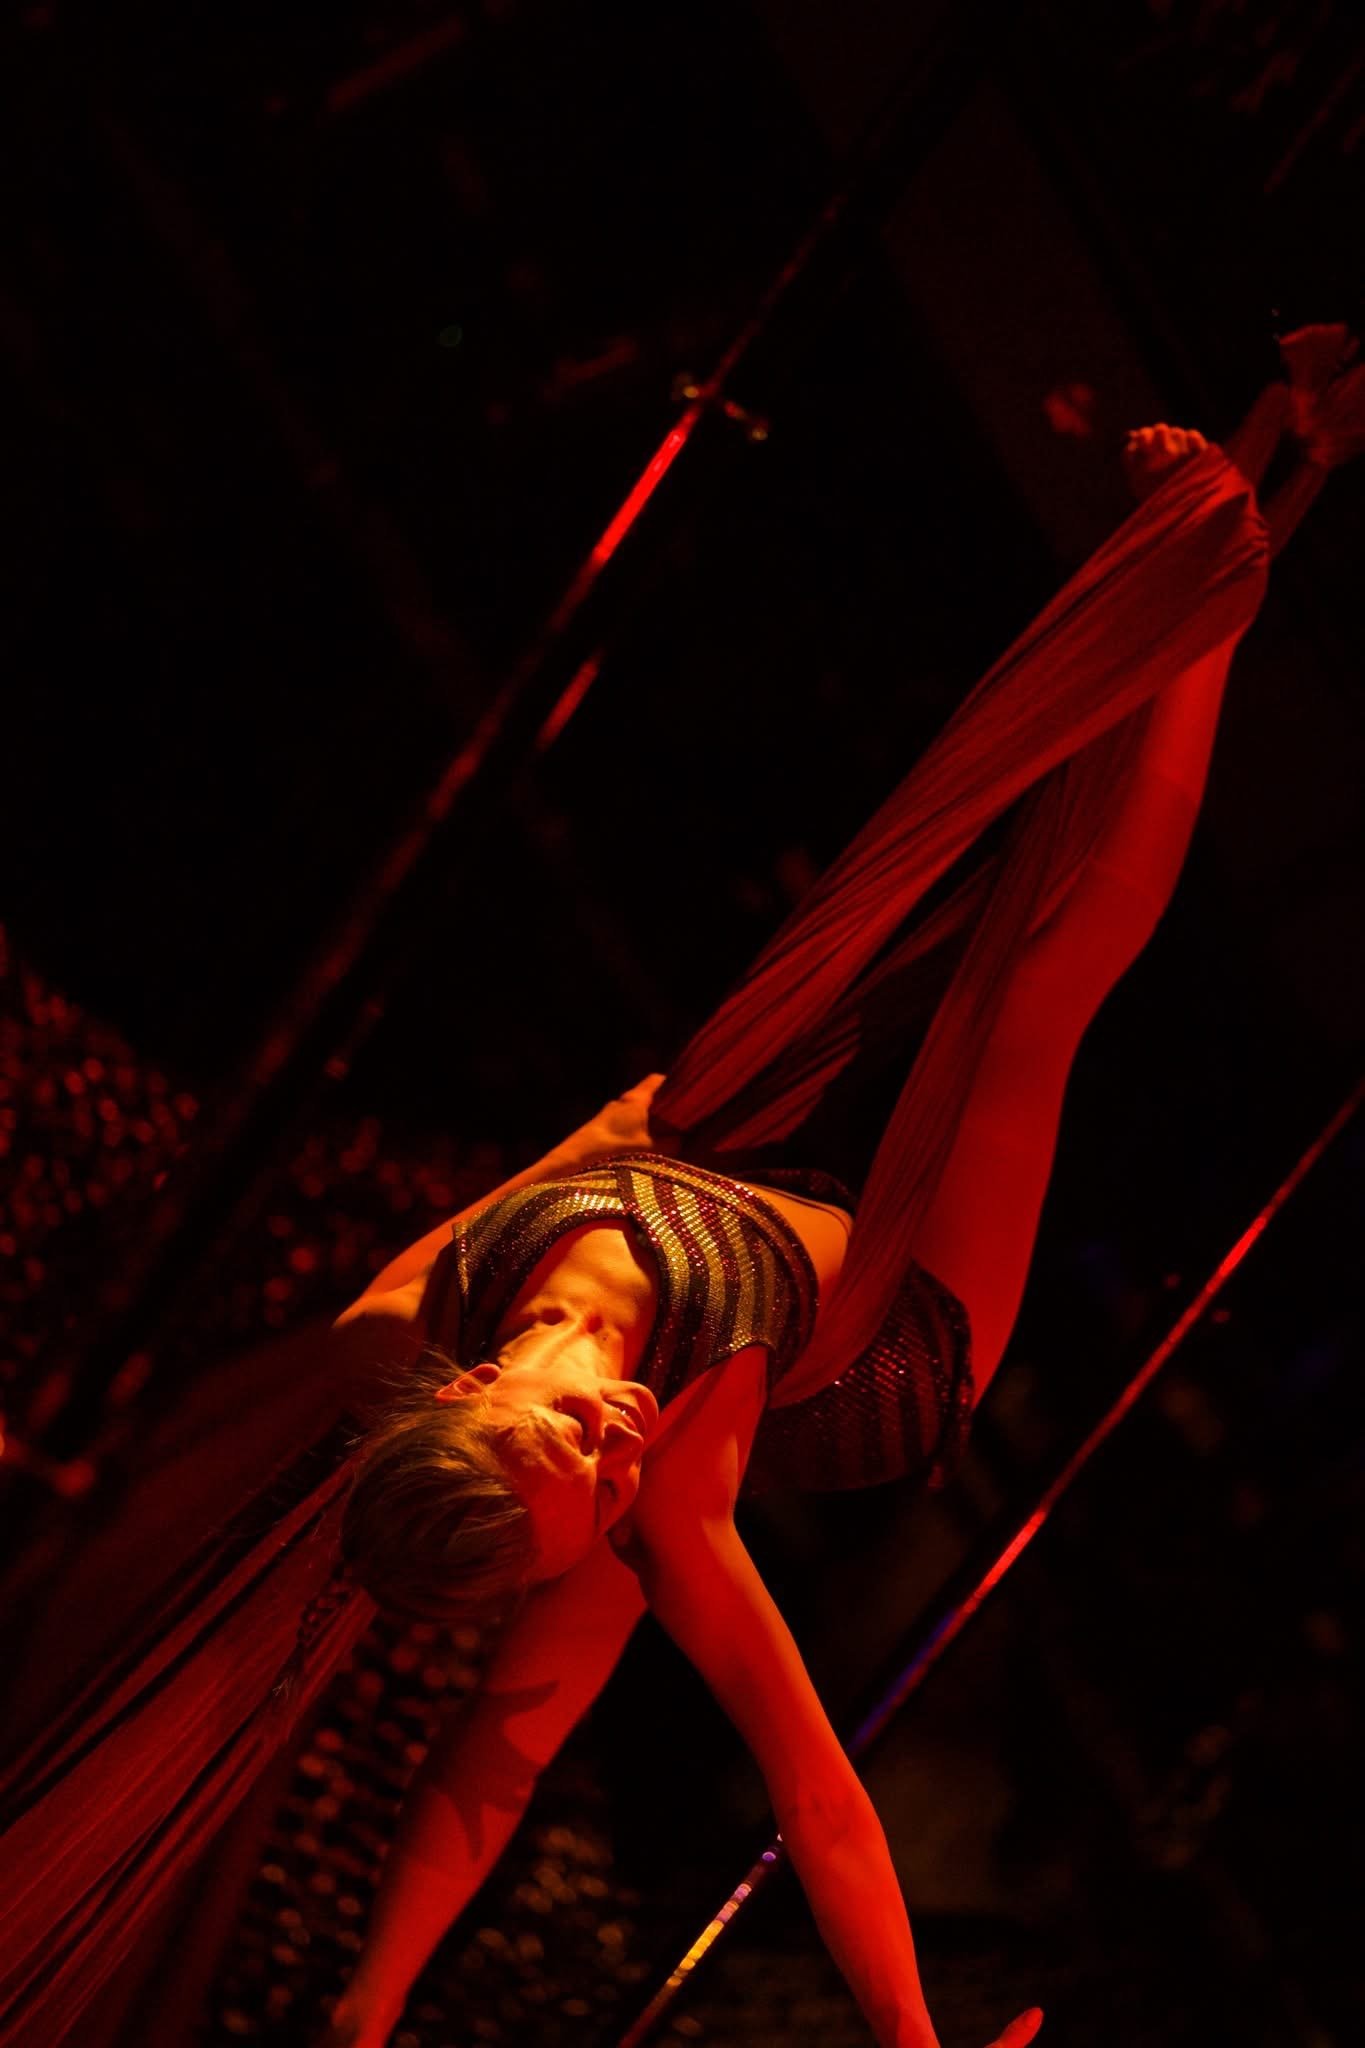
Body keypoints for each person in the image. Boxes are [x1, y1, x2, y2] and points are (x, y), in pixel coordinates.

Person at [0, 333, 1358, 2048]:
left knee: (907, 902)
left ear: (471, 1385)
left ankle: (1255, 468)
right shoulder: (676, 1478)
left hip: (725, 1152)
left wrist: (677, 1108)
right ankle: (1215, 583)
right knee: (1034, 984)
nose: (616, 1446)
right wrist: (912, 2037)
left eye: (574, 1445)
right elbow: (812, 1791)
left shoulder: (407, 1316)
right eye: (604, 1490)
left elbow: (607, 1151)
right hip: (880, 1354)